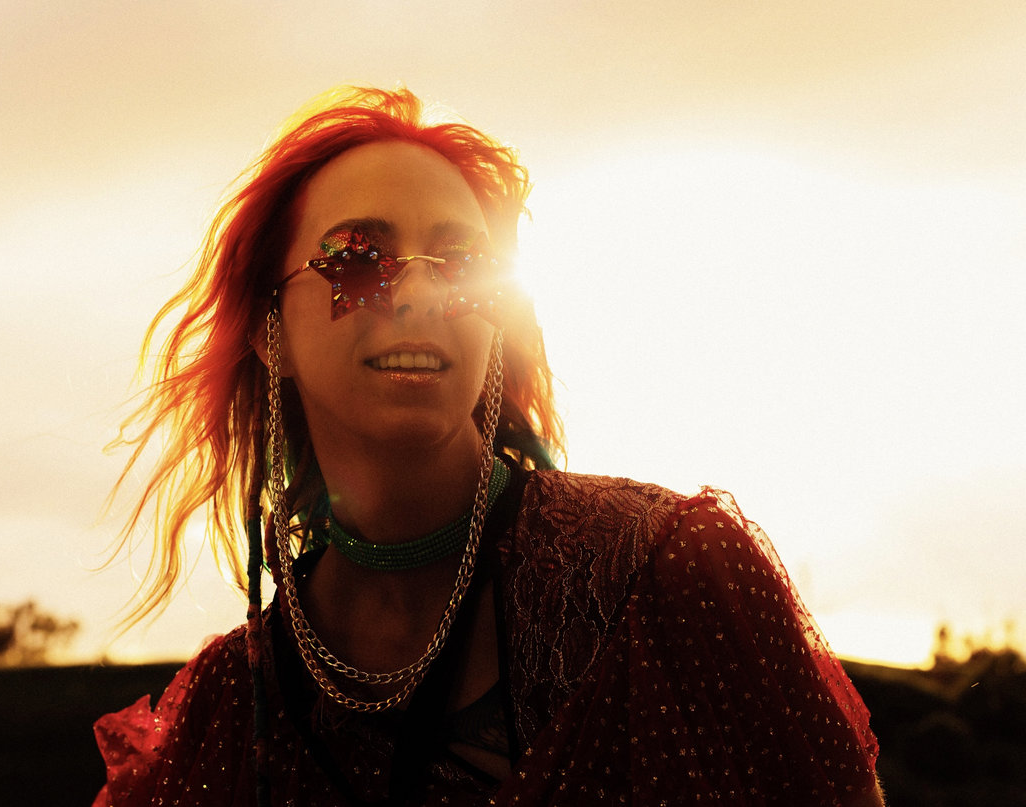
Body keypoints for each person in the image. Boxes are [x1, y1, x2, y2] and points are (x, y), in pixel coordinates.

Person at [92, 86, 884, 806]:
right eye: (356, 259)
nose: (419, 294)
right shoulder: (231, 717)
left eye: (462, 263)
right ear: (271, 332)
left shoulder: (665, 574)